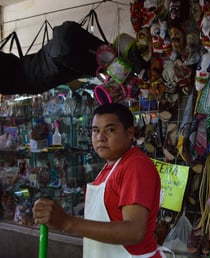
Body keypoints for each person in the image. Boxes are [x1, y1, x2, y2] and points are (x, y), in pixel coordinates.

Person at [33, 103, 164, 257]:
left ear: (130, 133)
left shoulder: (135, 165)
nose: (101, 137)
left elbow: (134, 232)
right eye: (96, 131)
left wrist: (67, 222)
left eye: (110, 130)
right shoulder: (110, 167)